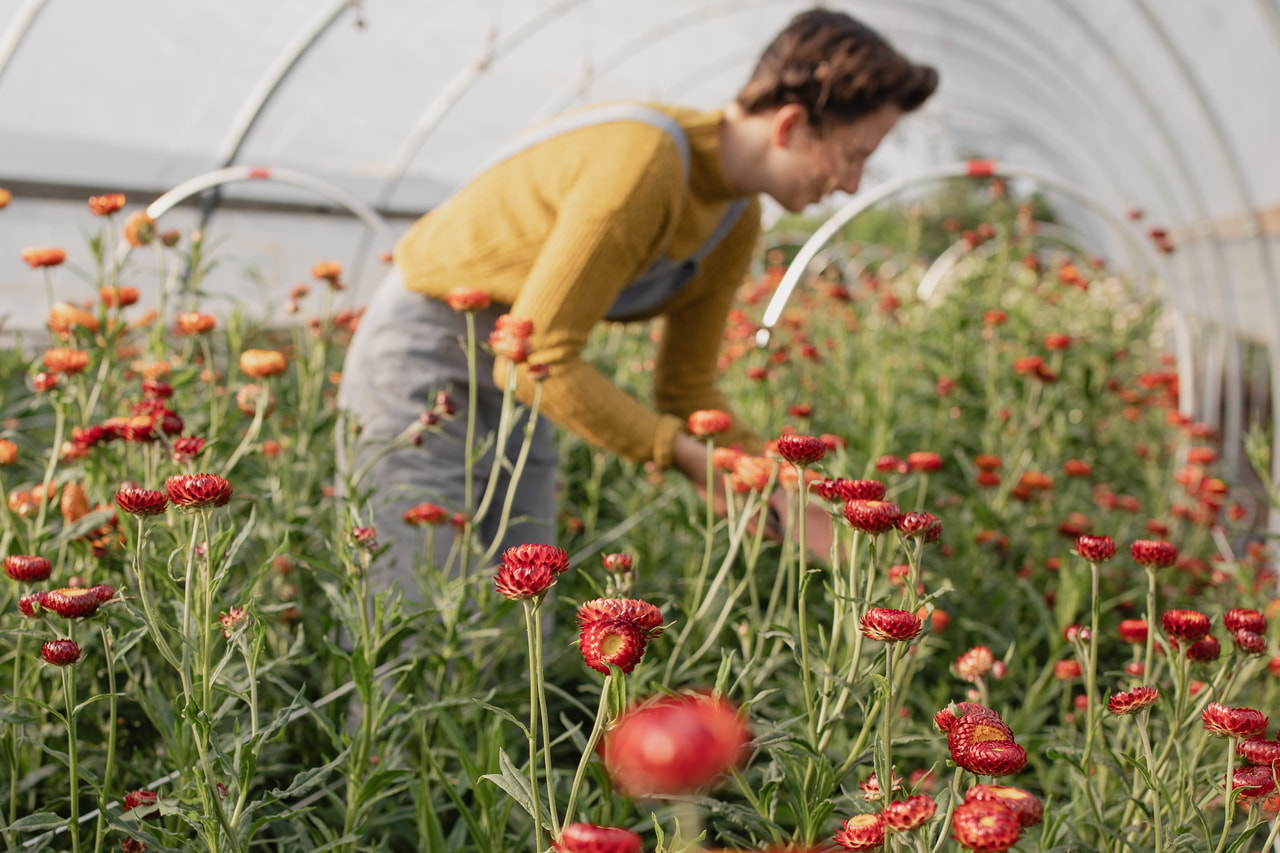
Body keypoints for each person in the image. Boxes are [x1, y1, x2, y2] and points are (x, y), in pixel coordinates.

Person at [337, 7, 938, 602]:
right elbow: (529, 354)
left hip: (529, 375)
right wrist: (691, 462)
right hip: (428, 349)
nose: (854, 183)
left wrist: (790, 486)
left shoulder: (735, 218)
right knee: (407, 599)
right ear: (791, 125)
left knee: (518, 604)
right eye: (854, 155)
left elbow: (688, 390)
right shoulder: (644, 165)